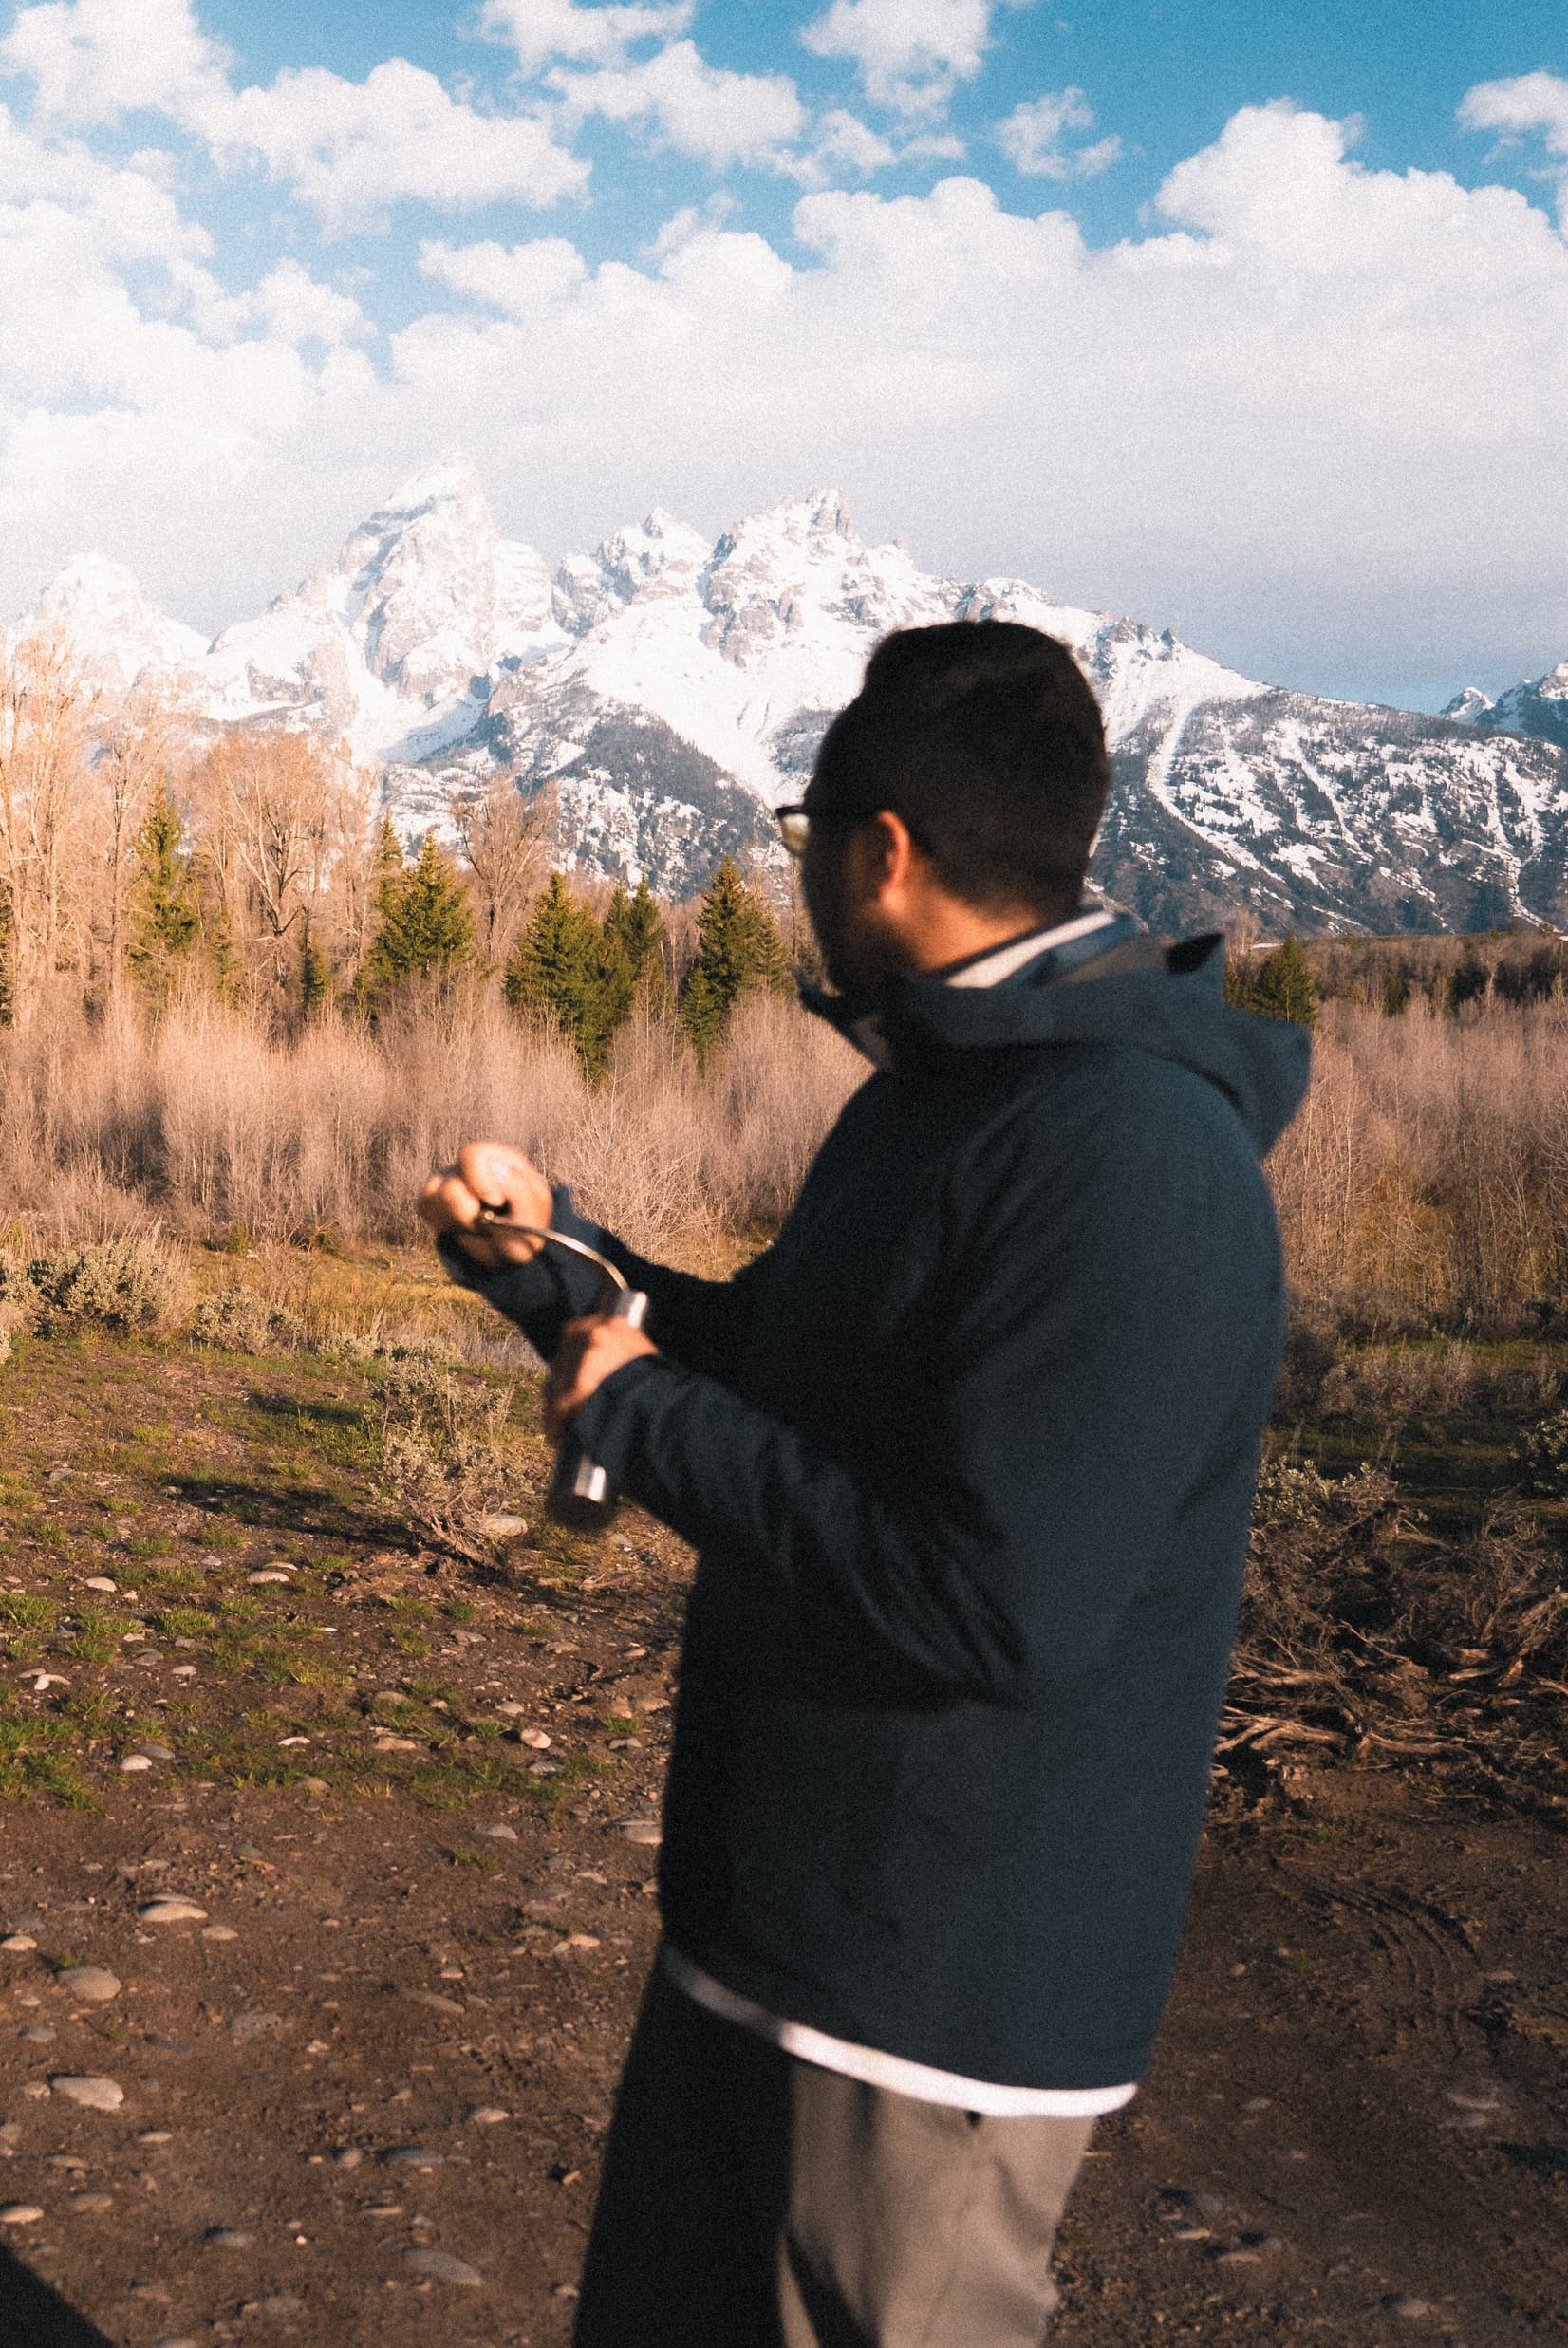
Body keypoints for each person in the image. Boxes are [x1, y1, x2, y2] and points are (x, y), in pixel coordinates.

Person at [420, 619, 1308, 2348]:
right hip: (778, 1925)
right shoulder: (957, 1089)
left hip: (937, 2001)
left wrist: (656, 1421)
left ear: (878, 852)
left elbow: (1001, 1603)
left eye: (802, 837)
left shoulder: (1127, 1155)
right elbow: (821, 1376)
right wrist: (569, 1275)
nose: (802, 874)